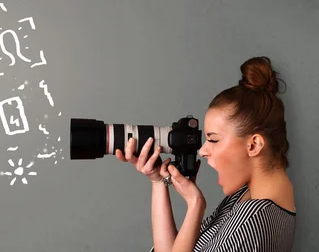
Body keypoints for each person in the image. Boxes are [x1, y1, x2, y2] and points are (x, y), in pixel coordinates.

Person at [116, 56, 296, 252]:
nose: (202, 150)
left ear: (254, 145)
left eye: (214, 139)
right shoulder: (245, 197)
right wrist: (158, 181)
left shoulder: (252, 220)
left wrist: (196, 205)